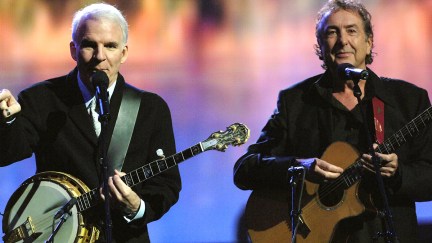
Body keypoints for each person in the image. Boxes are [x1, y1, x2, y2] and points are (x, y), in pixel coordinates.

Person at [234, 0, 432, 242]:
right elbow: (244, 169)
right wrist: (299, 168)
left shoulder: (409, 100)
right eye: (332, 32)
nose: (342, 41)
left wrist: (399, 173)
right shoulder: (295, 102)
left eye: (352, 30)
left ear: (369, 43)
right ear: (320, 45)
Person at [0, 3, 181, 243]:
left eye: (110, 46)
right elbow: (6, 154)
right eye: (89, 45)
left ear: (124, 53)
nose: (100, 56)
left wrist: (136, 207)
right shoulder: (41, 99)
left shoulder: (151, 108)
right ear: (73, 50)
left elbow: (167, 184)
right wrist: (7, 121)